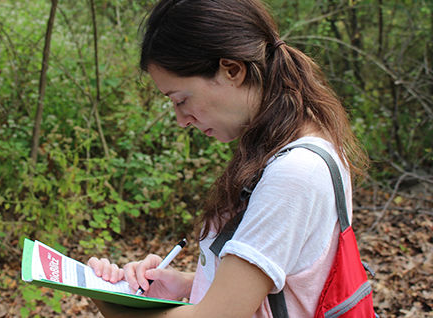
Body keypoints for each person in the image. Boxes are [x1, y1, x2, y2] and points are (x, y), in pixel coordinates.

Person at [87, 0, 369, 317]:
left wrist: (109, 302)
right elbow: (282, 279)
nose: (181, 119)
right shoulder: (295, 144)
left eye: (181, 99)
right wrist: (184, 285)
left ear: (232, 70)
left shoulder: (295, 172)